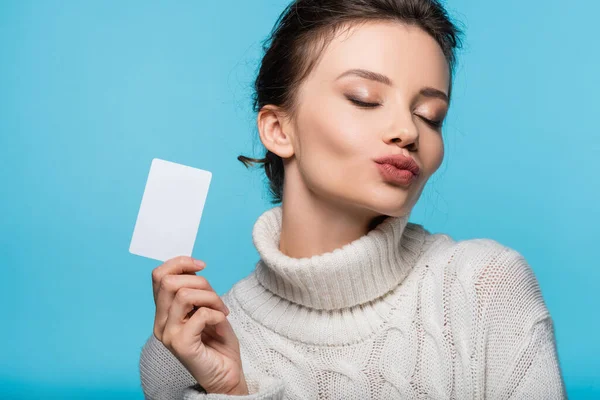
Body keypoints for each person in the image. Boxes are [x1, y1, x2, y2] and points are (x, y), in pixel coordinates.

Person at [139, 0, 568, 398]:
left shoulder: (487, 288)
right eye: (365, 99)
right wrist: (230, 392)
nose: (408, 130)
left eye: (430, 116)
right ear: (279, 130)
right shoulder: (183, 348)